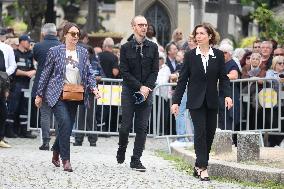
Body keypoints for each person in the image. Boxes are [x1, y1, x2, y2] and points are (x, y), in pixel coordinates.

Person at [35, 22, 100, 172]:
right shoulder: (55, 51)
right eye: (72, 34)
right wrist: (39, 94)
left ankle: (56, 151)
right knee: (64, 121)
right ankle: (66, 160)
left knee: (67, 126)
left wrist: (94, 88)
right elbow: (45, 74)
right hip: (57, 94)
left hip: (75, 94)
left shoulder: (83, 52)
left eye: (77, 34)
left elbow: (89, 73)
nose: (75, 37)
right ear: (65, 35)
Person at [171, 23, 233, 181]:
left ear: (210, 36)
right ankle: (204, 168)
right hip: (195, 102)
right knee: (200, 133)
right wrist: (176, 101)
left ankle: (198, 164)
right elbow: (182, 80)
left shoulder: (218, 55)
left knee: (210, 134)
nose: (198, 36)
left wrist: (227, 95)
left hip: (212, 101)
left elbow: (224, 78)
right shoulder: (190, 56)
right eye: (196, 34)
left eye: (201, 33)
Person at [116, 15, 159, 172]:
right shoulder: (126, 47)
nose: (144, 27)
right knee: (125, 126)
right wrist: (139, 86)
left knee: (142, 127)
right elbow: (124, 71)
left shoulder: (153, 47)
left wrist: (146, 87)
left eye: (145, 25)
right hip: (129, 91)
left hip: (146, 92)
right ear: (133, 27)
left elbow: (155, 71)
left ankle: (136, 159)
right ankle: (122, 147)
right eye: (140, 25)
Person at [32, 23, 62, 150]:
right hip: (58, 84)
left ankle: (45, 141)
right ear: (55, 33)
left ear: (43, 33)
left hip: (42, 84)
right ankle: (58, 142)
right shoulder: (62, 47)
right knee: (59, 114)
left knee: (45, 114)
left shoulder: (38, 46)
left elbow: (37, 60)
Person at [6, 34, 36, 139]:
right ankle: (9, 130)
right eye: (28, 42)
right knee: (13, 107)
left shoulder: (30, 54)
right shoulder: (14, 54)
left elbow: (33, 68)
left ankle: (24, 131)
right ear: (22, 42)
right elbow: (13, 70)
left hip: (27, 85)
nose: (29, 44)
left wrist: (33, 71)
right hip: (16, 84)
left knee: (25, 109)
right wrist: (26, 73)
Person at [0, 30, 16, 146]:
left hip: (2, 82)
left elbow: (10, 66)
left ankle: (1, 137)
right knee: (3, 111)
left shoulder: (5, 49)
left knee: (3, 110)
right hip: (3, 81)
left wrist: (4, 75)